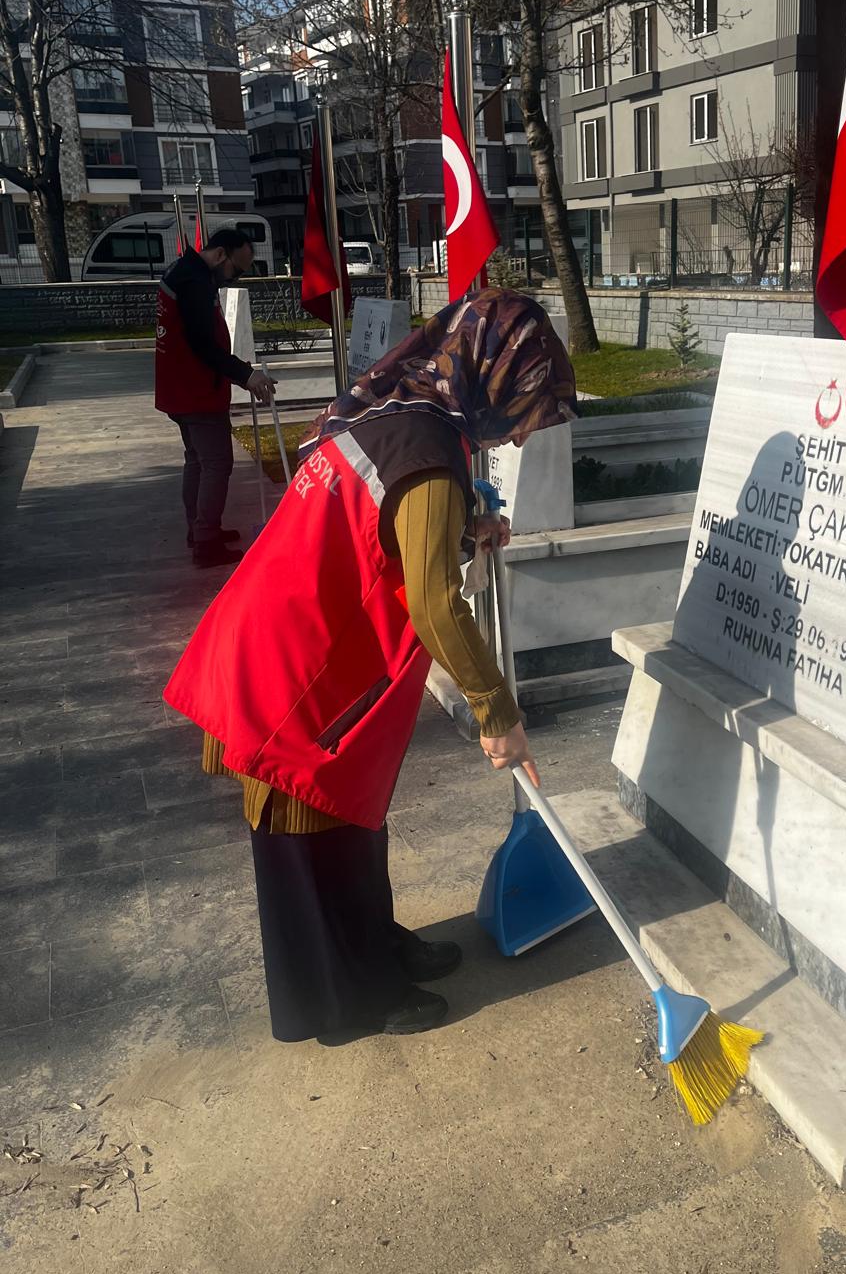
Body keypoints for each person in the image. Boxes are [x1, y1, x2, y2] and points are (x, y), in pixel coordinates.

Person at [163, 289, 578, 1044]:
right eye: (525, 408)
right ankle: (343, 999)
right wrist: (499, 715)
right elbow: (434, 603)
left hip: (295, 648)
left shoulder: (402, 414)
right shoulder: (427, 451)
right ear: (496, 373)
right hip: (291, 676)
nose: (519, 435)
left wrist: (463, 526)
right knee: (305, 836)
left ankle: (376, 945)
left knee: (353, 821)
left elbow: (383, 532)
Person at [155, 226, 276, 568]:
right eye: (236, 270)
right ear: (221, 254)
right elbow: (203, 346)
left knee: (196, 459)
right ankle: (205, 541)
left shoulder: (186, 271)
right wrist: (246, 375)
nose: (234, 279)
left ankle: (200, 529)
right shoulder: (194, 282)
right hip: (195, 391)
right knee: (216, 464)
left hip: (180, 388)